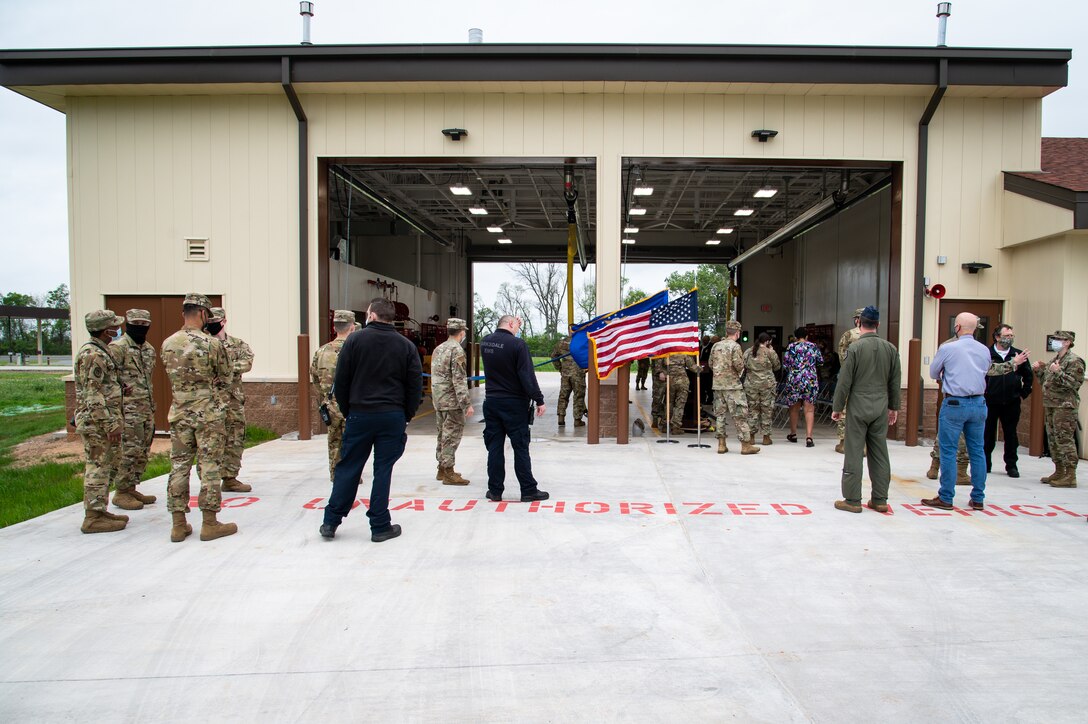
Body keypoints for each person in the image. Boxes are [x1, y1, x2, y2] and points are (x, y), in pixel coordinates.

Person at [320, 298, 421, 542]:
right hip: (392, 416)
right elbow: (415, 387)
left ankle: (331, 521)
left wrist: (348, 409)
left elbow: (341, 380)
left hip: (360, 414)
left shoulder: (354, 341)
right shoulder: (406, 346)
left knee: (349, 467)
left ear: (372, 315)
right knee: (383, 470)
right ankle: (379, 525)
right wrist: (405, 416)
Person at [161, 294, 238, 542]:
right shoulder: (212, 345)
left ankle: (177, 524)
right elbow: (225, 377)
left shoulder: (168, 343)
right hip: (208, 414)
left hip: (180, 412)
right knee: (209, 466)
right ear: (204, 314)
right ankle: (209, 522)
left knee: (179, 467)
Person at [831, 306, 901, 513]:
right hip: (880, 404)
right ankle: (880, 499)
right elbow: (895, 381)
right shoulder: (890, 349)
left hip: (858, 404)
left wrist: (838, 407)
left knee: (853, 451)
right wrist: (893, 407)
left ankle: (852, 500)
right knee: (879, 452)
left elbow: (844, 381)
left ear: (859, 323)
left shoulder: (854, 349)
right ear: (878, 324)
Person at [922, 312, 994, 511]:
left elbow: (934, 372)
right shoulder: (984, 350)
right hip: (979, 403)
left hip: (955, 403)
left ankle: (946, 497)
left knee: (948, 450)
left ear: (958, 327)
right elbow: (986, 370)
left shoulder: (948, 348)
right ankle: (978, 498)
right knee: (977, 451)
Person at [479, 315, 549, 502]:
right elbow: (527, 375)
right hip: (514, 404)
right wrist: (539, 399)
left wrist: (513, 321)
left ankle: (494, 490)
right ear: (511, 324)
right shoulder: (518, 345)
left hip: (492, 401)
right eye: (517, 325)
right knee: (520, 447)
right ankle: (528, 490)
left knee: (494, 447)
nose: (518, 328)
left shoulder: (485, 342)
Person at [73, 309, 129, 534]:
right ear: (106, 330)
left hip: (102, 420)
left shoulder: (100, 351)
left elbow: (102, 387)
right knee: (98, 466)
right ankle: (93, 517)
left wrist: (119, 389)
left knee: (107, 465)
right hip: (97, 424)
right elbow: (92, 394)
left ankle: (99, 509)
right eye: (114, 326)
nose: (117, 329)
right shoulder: (92, 355)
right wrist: (109, 424)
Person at [109, 308, 159, 510]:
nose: (140, 328)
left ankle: (131, 486)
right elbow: (109, 378)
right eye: (135, 324)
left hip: (146, 407)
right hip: (127, 410)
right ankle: (121, 492)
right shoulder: (117, 348)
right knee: (128, 450)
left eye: (144, 325)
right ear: (127, 325)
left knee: (142, 450)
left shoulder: (148, 349)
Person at [203, 306, 255, 493]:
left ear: (223, 321)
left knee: (235, 438)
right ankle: (209, 480)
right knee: (211, 440)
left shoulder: (238, 344)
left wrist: (224, 369)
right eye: (209, 322)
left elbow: (247, 362)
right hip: (210, 401)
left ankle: (230, 478)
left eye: (215, 322)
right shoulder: (202, 343)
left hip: (233, 400)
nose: (211, 325)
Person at [1034, 330, 1085, 488]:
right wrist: (1039, 371)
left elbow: (1074, 384)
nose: (1055, 341)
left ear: (1068, 342)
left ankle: (1070, 475)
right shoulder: (1055, 359)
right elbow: (1045, 382)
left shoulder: (1074, 361)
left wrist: (1059, 372)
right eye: (1054, 339)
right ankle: (1059, 471)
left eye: (1058, 339)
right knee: (1053, 439)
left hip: (1065, 406)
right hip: (1051, 405)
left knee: (1064, 439)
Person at [310, 309, 355, 481]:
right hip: (351, 404)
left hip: (330, 403)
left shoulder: (321, 351)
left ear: (335, 327)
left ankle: (336, 475)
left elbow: (314, 377)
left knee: (334, 441)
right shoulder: (355, 349)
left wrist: (325, 396)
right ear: (352, 327)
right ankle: (350, 476)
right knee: (352, 443)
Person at [984, 323, 1033, 477]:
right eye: (1006, 336)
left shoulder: (1018, 355)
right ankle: (985, 464)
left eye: (1011, 336)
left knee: (1011, 435)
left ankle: (1011, 465)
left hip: (1011, 401)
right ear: (997, 337)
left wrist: (1022, 393)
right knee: (987, 434)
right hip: (990, 401)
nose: (1009, 338)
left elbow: (1028, 376)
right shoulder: (987, 353)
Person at [431, 317, 474, 485]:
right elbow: (459, 380)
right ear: (462, 332)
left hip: (439, 399)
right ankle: (449, 472)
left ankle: (441, 468)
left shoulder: (439, 349)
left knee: (442, 434)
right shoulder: (457, 351)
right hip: (452, 401)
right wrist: (466, 404)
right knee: (452, 436)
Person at [708, 320, 760, 455]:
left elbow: (710, 364)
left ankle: (721, 444)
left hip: (718, 386)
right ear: (737, 333)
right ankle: (746, 445)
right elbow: (738, 365)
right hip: (733, 386)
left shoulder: (715, 346)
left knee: (720, 416)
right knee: (740, 415)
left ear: (726, 332)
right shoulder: (735, 346)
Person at [783, 326, 823, 447]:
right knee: (809, 408)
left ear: (795, 337)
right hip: (810, 380)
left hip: (794, 379)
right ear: (807, 336)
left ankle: (793, 434)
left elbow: (785, 364)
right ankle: (809, 437)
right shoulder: (813, 346)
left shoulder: (791, 347)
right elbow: (820, 361)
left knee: (794, 408)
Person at [834, 309, 864, 454]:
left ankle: (844, 442)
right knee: (864, 410)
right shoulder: (874, 337)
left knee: (845, 409)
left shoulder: (849, 334)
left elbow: (842, 356)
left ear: (857, 320)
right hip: (867, 380)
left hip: (850, 377)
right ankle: (863, 445)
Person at [743, 332, 780, 445]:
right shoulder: (770, 352)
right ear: (768, 341)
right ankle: (766, 437)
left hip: (751, 384)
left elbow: (742, 364)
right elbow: (777, 366)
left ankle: (752, 436)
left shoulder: (749, 351)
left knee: (752, 410)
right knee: (767, 410)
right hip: (767, 385)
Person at [551, 334, 586, 427]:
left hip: (565, 373)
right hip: (578, 373)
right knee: (578, 396)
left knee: (563, 395)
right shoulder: (581, 342)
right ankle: (577, 420)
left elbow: (554, 355)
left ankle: (561, 418)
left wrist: (560, 368)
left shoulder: (562, 342)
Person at [666, 353, 702, 434]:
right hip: (682, 381)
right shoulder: (684, 352)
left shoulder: (667, 351)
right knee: (680, 403)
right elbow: (692, 367)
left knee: (669, 402)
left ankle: (666, 424)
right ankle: (675, 426)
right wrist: (700, 368)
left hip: (670, 380)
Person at [651, 356, 667, 428]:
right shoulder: (662, 346)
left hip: (671, 377)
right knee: (657, 398)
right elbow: (658, 359)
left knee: (668, 401)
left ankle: (665, 421)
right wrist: (660, 372)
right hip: (660, 378)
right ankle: (655, 418)